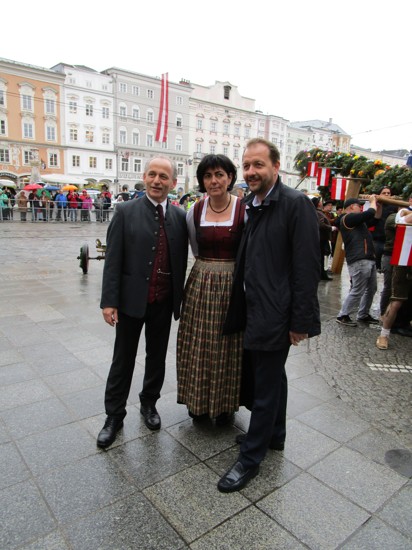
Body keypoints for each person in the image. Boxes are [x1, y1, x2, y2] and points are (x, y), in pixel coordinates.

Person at [218, 138, 320, 492]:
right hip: (255, 306)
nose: (250, 172)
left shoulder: (295, 204)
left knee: (264, 385)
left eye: (258, 165)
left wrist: (300, 322)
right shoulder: (252, 202)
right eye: (246, 166)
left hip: (276, 312)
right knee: (274, 376)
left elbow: (307, 268)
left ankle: (251, 458)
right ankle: (274, 434)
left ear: (276, 167)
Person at [97, 157, 188, 448]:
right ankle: (114, 415)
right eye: (153, 174)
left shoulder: (179, 216)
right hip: (130, 301)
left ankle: (149, 403)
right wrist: (109, 301)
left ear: (173, 183)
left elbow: (181, 260)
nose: (157, 180)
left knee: (157, 357)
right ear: (144, 177)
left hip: (163, 301)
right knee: (122, 359)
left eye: (164, 176)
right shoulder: (125, 211)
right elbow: (113, 261)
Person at [177, 154, 246, 425]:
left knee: (228, 346)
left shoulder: (245, 209)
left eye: (219, 174)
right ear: (202, 181)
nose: (214, 180)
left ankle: (225, 404)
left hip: (232, 283)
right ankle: (198, 403)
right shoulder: (195, 211)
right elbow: (194, 247)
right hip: (201, 281)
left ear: (230, 177)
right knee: (198, 343)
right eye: (207, 176)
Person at [336, 197, 382, 326]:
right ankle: (343, 315)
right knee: (358, 289)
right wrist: (373, 202)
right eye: (358, 205)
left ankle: (363, 314)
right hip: (359, 259)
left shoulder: (358, 222)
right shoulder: (348, 218)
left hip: (367, 258)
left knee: (372, 288)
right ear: (351, 207)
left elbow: (375, 218)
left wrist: (379, 205)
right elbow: (369, 213)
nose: (360, 208)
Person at [377, 201, 412, 349]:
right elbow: (401, 221)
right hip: (403, 261)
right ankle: (383, 335)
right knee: (396, 300)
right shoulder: (402, 212)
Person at [370, 186, 397, 271]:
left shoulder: (394, 206)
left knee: (388, 266)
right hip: (377, 238)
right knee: (375, 263)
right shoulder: (374, 205)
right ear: (379, 194)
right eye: (384, 193)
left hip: (389, 240)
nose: (386, 195)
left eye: (388, 193)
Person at [311, 197, 332, 280]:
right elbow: (321, 224)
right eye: (320, 201)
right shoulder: (318, 212)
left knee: (323, 256)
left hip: (322, 237)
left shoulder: (319, 212)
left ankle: (322, 273)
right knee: (320, 256)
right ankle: (321, 274)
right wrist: (331, 228)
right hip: (321, 238)